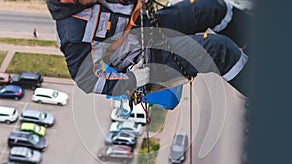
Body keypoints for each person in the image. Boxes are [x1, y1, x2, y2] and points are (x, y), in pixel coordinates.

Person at [46, 0, 253, 97]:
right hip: (143, 60)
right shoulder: (72, 34)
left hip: (147, 26)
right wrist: (132, 81)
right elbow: (86, 79)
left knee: (214, 7)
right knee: (218, 50)